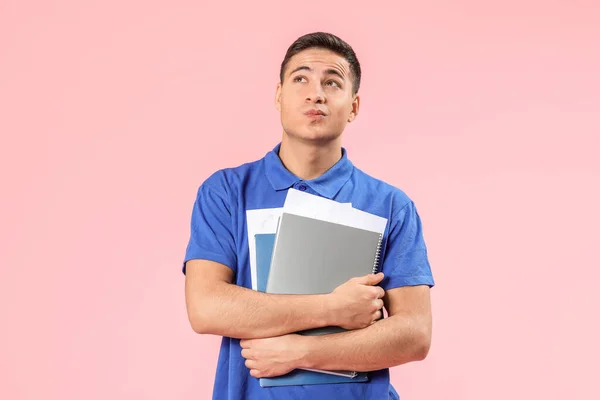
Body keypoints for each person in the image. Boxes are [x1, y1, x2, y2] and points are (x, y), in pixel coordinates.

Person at [182, 31, 435, 400]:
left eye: (332, 82)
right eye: (300, 78)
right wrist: (332, 308)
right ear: (279, 95)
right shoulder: (225, 192)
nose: (315, 92)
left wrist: (301, 352)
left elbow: (415, 334)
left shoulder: (392, 205)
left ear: (353, 106)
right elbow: (205, 307)